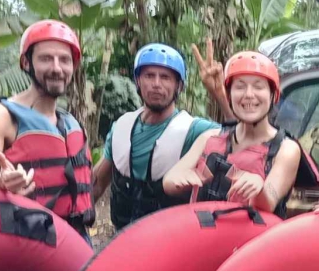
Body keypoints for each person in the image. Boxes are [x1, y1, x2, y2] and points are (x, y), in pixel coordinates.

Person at [0, 20, 95, 236]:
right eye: (46, 59)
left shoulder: (70, 122)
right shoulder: (1, 114)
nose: (56, 68)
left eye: (64, 60)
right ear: (26, 63)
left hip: (76, 239)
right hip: (28, 242)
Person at [90, 43, 223, 230]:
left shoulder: (193, 129)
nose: (156, 84)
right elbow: (97, 183)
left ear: (179, 85)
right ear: (138, 81)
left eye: (166, 77)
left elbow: (241, 136)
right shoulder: (122, 126)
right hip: (123, 238)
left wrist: (220, 94)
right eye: (149, 76)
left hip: (169, 242)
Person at [161, 51, 306, 215]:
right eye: (240, 87)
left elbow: (269, 202)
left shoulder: (286, 149)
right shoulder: (209, 137)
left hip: (253, 239)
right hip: (201, 235)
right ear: (229, 96)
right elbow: (169, 182)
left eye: (258, 87)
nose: (249, 95)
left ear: (273, 96)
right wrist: (179, 180)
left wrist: (259, 189)